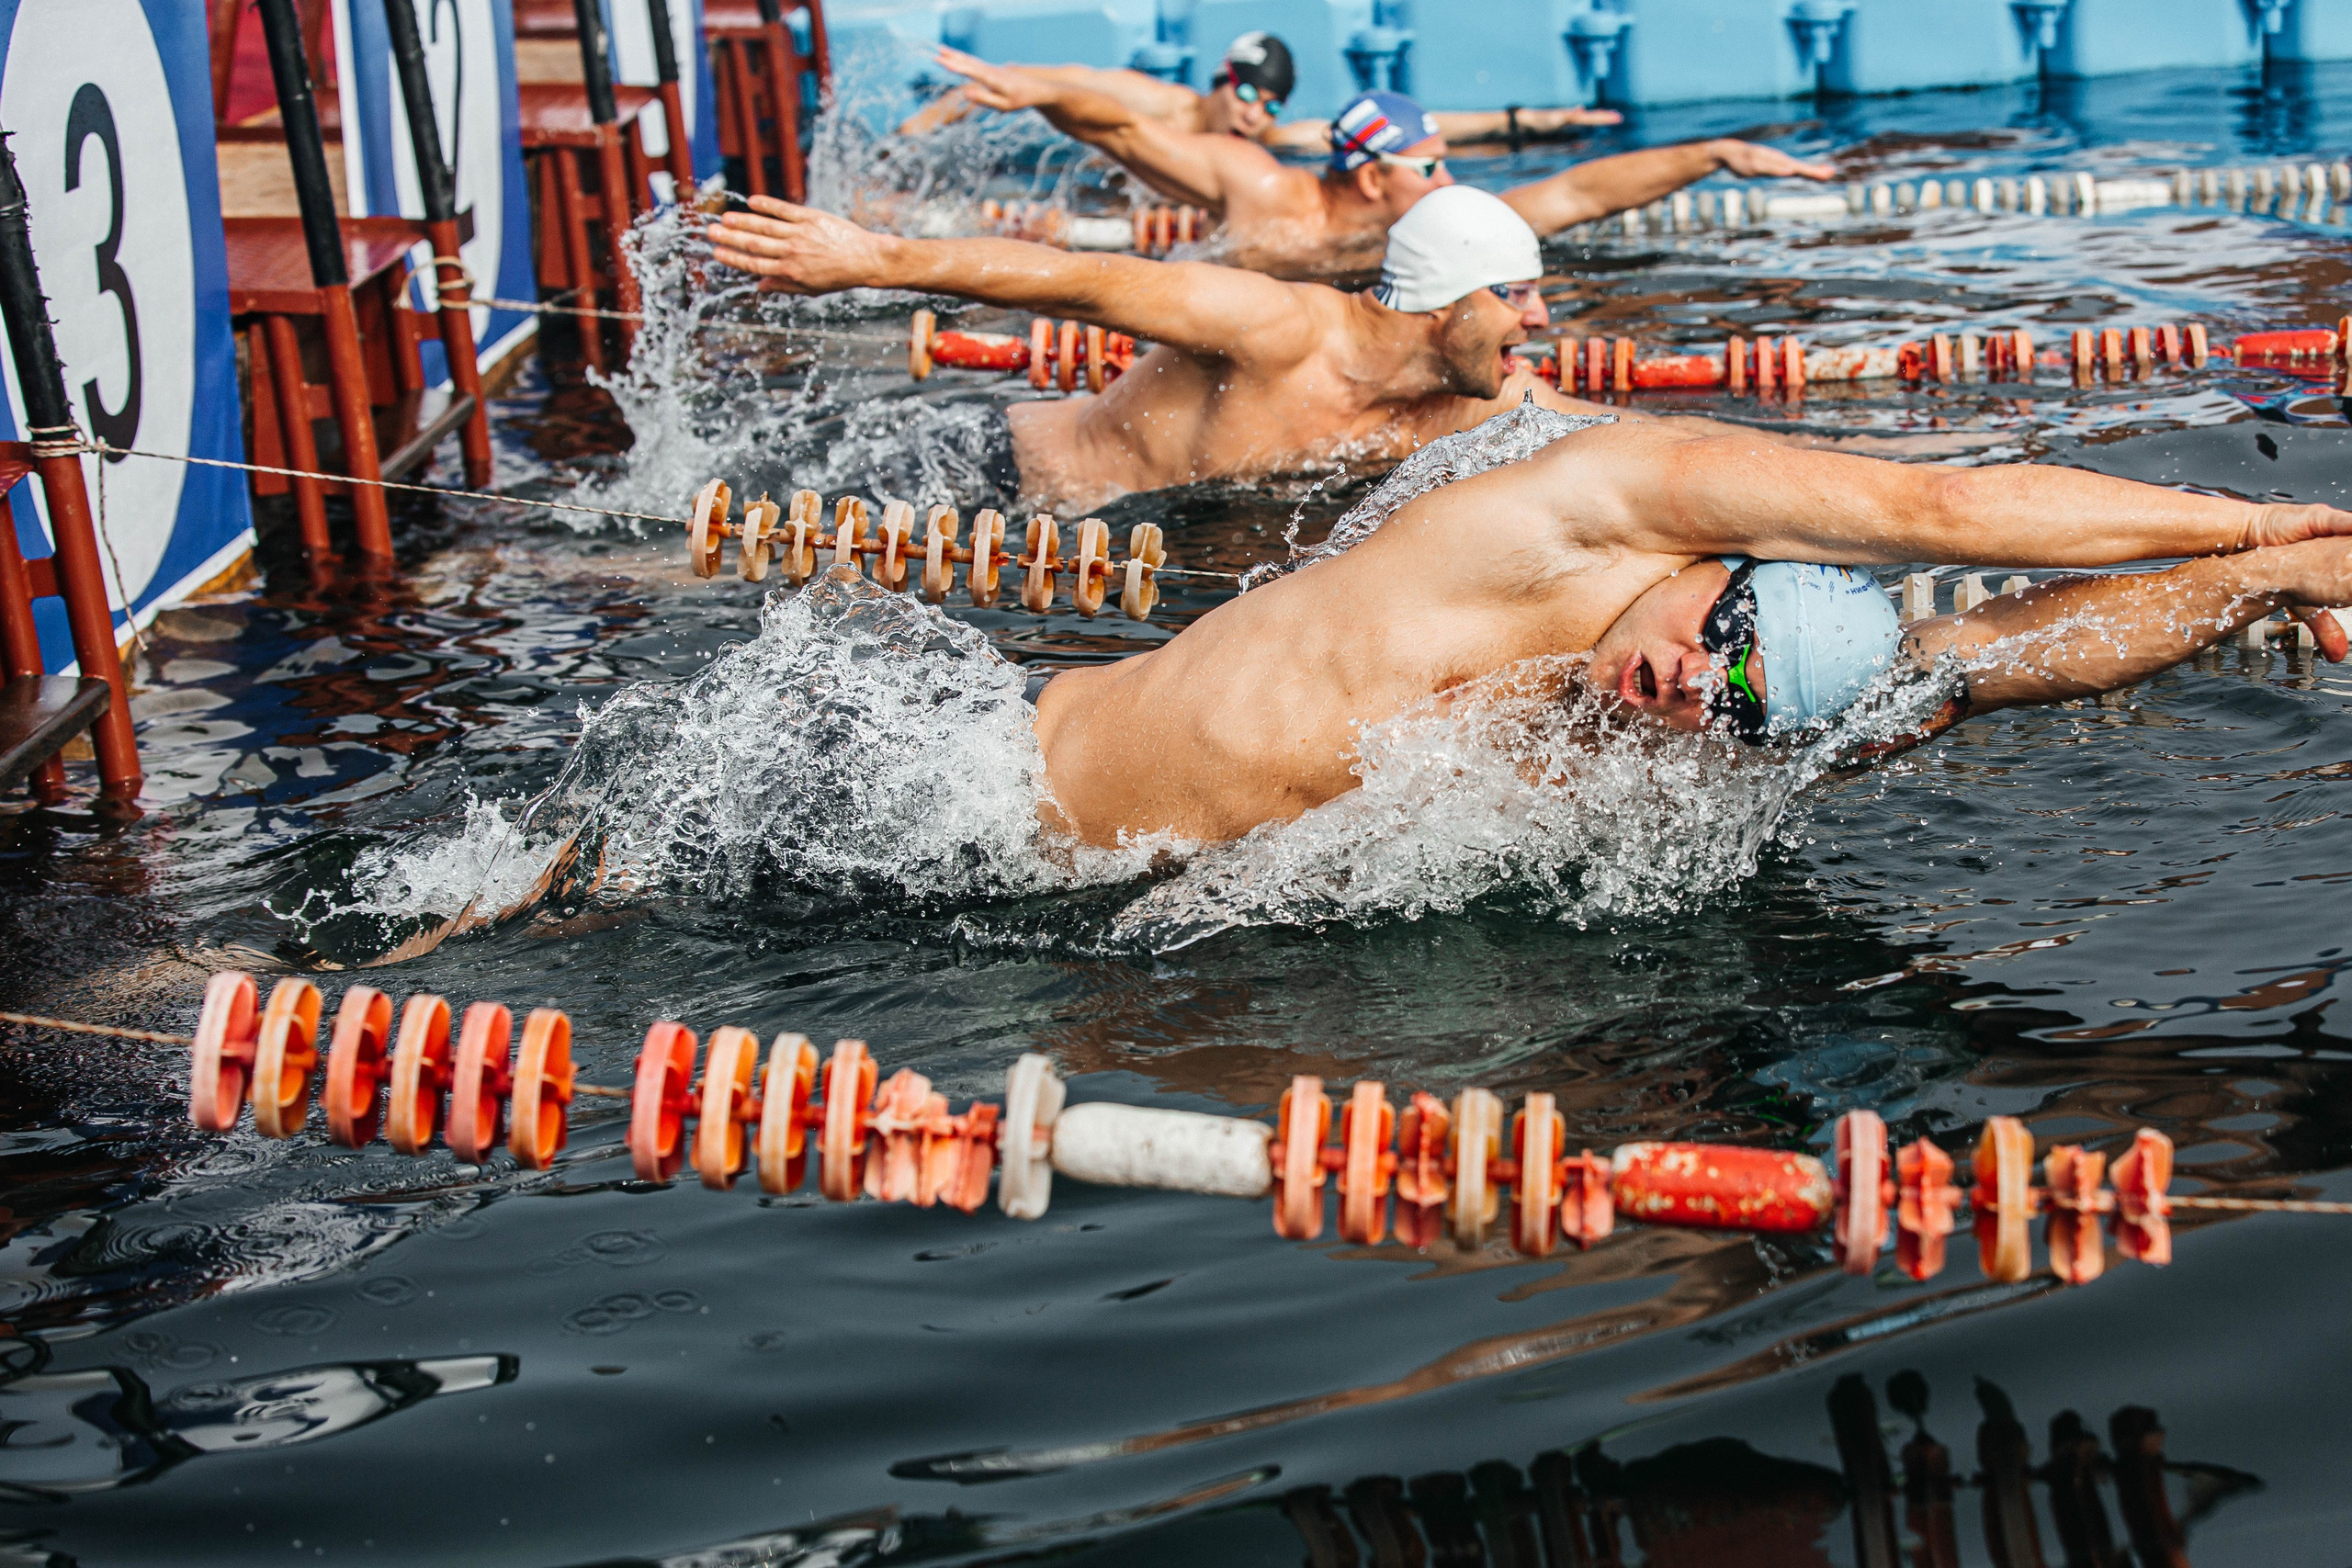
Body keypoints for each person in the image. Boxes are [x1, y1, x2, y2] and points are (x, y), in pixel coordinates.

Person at [1029, 410, 2352, 846]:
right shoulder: (1580, 520)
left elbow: (1994, 662)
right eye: (1720, 637)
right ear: (1719, 568)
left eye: (1738, 699)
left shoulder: (1694, 740)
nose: (1685, 685)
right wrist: (2255, 526)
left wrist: (2270, 586)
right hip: (997, 786)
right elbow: (1943, 509)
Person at [709, 186, 1889, 514]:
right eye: (1518, 298)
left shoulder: (1479, 407)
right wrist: (873, 257)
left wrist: (1864, 479)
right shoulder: (1281, 328)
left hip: (1107, 543)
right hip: (966, 472)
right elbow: (1082, 278)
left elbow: (1641, 441)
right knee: (679, 546)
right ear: (1446, 300)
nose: (1541, 324)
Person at [928, 62, 1829, 280]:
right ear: (1369, 176)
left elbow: (1575, 192)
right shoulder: (1257, 186)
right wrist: (1041, 90)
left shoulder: (1420, 221)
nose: (1447, 180)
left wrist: (1711, 155)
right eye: (1429, 165)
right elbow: (1125, 128)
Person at [900, 32, 1622, 147]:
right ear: (1223, 80)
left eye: (1272, 105)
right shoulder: (1152, 101)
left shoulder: (1271, 139)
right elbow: (1023, 84)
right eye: (1250, 96)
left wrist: (1528, 120)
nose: (1257, 115)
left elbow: (1396, 126)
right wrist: (915, 135)